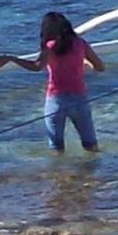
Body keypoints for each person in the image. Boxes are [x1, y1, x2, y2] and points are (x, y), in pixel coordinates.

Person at [25, 11, 104, 153]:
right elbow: (100, 67)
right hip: (79, 99)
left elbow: (37, 66)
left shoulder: (50, 47)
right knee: (91, 146)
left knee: (57, 150)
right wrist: (84, 62)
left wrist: (12, 59)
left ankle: (60, 175)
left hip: (56, 101)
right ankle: (94, 174)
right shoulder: (80, 44)